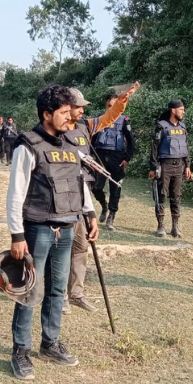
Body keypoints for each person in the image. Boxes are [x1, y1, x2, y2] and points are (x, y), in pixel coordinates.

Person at [5, 84, 99, 380]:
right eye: (64, 112)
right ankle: (21, 351)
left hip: (68, 225)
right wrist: (17, 235)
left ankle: (51, 342)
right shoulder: (28, 145)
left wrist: (90, 213)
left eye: (71, 111)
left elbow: (79, 183)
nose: (71, 117)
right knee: (29, 290)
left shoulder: (72, 143)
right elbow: (15, 194)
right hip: (37, 229)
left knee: (58, 290)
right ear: (47, 114)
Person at [63, 83, 139, 315]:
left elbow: (109, 118)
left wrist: (122, 101)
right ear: (65, 107)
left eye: (83, 107)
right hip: (63, 193)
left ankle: (76, 293)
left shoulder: (86, 126)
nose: (82, 110)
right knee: (62, 247)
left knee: (81, 245)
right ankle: (59, 296)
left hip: (83, 189)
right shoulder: (55, 129)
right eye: (78, 107)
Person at [91, 94, 136, 231]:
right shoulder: (100, 119)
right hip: (100, 157)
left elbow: (131, 142)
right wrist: (91, 156)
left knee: (115, 189)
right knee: (96, 187)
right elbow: (92, 139)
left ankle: (111, 217)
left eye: (115, 106)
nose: (112, 108)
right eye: (110, 106)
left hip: (117, 158)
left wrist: (126, 158)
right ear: (106, 106)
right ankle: (104, 205)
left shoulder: (124, 121)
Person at [149, 99, 191, 238]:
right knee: (161, 195)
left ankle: (175, 227)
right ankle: (161, 226)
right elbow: (154, 148)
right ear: (173, 110)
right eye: (181, 110)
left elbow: (186, 147)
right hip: (165, 165)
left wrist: (188, 165)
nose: (183, 112)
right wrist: (153, 167)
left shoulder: (183, 127)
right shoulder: (161, 126)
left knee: (176, 196)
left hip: (179, 165)